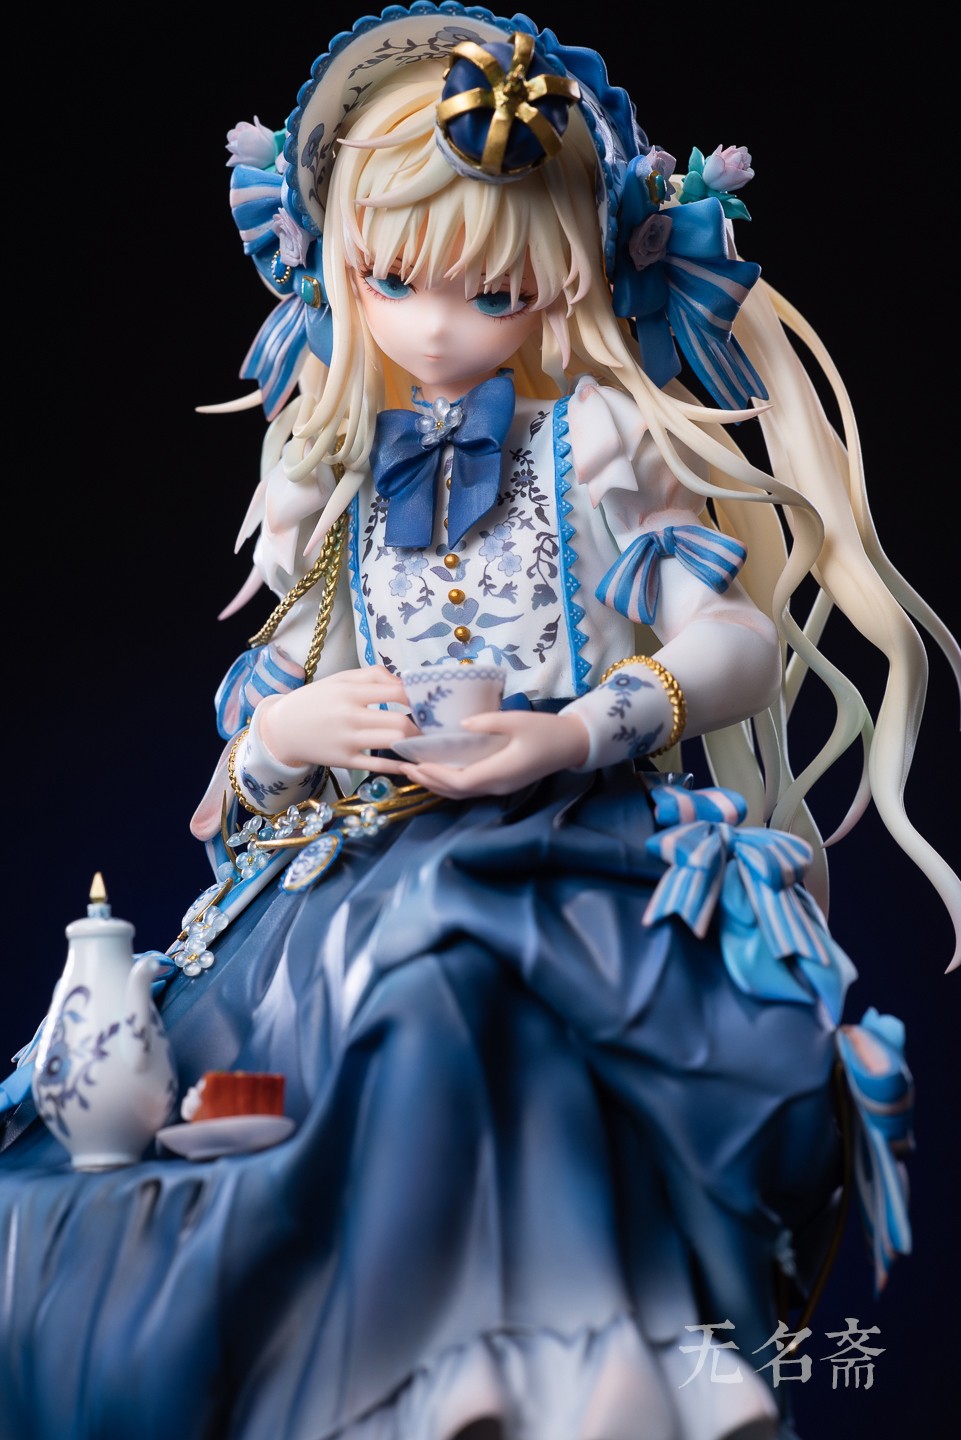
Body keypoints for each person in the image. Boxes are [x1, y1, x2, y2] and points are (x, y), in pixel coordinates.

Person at [1, 7, 958, 1439]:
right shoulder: (330, 478)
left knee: (468, 978)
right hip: (367, 862)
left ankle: (597, 1352)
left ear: (563, 286)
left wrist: (580, 730)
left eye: (492, 291)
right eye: (391, 280)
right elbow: (258, 718)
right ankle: (391, 1373)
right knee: (349, 1014)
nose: (437, 325)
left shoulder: (600, 442)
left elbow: (735, 643)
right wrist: (289, 733)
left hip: (582, 836)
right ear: (337, 270)